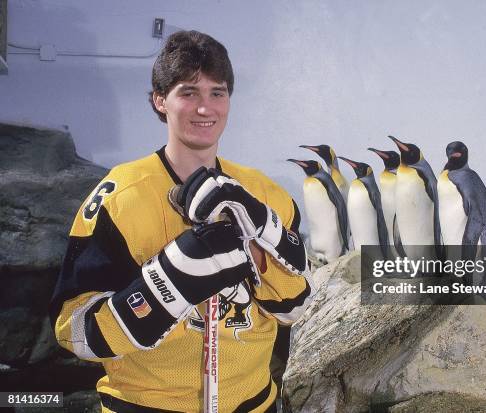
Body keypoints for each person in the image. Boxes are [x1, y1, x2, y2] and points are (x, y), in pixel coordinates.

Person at [49, 30, 313, 413]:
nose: (205, 108)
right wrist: (166, 286)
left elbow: (294, 310)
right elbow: (75, 335)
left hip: (254, 404)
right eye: (189, 92)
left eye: (216, 93)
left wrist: (258, 253)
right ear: (161, 102)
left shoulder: (267, 194)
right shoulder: (120, 198)